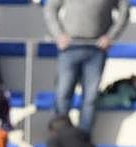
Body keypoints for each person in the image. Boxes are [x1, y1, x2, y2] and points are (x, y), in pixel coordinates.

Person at [44, 0, 130, 136]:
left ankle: (83, 140)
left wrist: (111, 36)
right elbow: (50, 8)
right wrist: (58, 34)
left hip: (96, 49)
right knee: (63, 94)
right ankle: (60, 138)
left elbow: (124, 10)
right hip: (70, 48)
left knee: (90, 98)